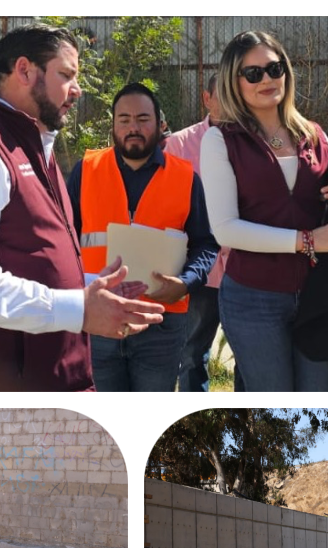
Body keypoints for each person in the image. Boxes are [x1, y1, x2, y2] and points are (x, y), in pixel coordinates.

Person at [0, 23, 163, 391]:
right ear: (25, 70)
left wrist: (91, 286)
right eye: (66, 75)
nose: (77, 90)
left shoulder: (33, 146)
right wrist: (77, 308)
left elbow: (28, 259)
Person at [200, 30, 328, 392]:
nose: (267, 79)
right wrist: (306, 241)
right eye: (253, 73)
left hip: (320, 294)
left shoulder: (315, 135)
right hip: (253, 296)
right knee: (273, 408)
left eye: (274, 69)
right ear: (234, 80)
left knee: (319, 403)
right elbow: (225, 229)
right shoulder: (220, 139)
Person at [67, 83, 218, 391]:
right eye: (123, 119)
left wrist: (186, 283)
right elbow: (64, 236)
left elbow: (205, 244)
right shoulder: (86, 170)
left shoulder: (185, 177)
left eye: (142, 119)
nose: (133, 127)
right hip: (99, 321)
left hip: (160, 322)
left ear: (160, 123)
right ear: (113, 125)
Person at [163, 73, 241, 393]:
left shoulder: (255, 144)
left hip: (244, 268)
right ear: (206, 99)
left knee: (251, 356)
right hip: (201, 271)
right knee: (194, 353)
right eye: (223, 95)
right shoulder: (179, 145)